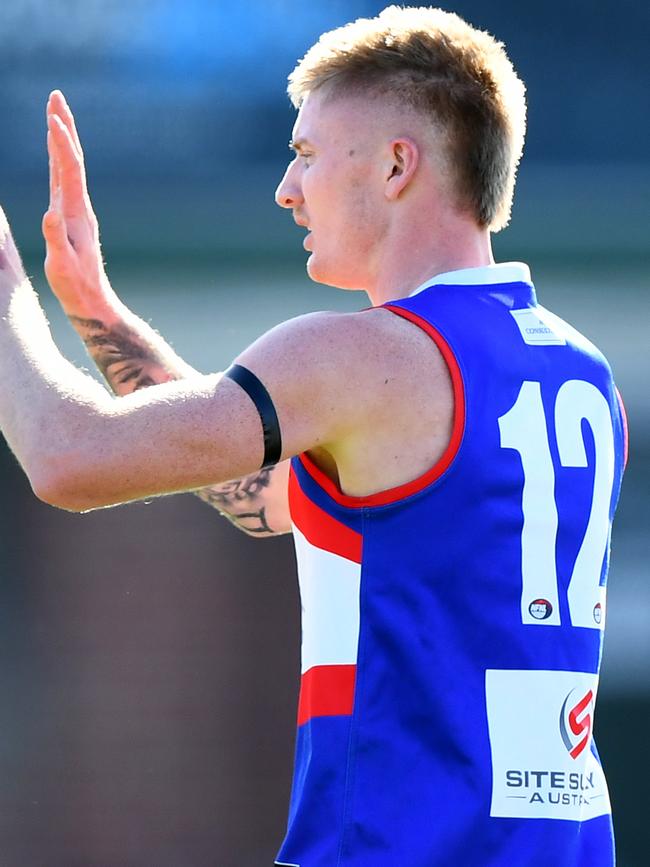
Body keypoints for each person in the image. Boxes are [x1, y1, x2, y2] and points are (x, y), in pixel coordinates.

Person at [0, 6, 627, 866]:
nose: (286, 189)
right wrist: (97, 312)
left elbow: (65, 456)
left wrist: (5, 293)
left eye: (305, 155)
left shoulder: (355, 355)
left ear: (397, 165)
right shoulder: (581, 374)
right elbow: (263, 496)